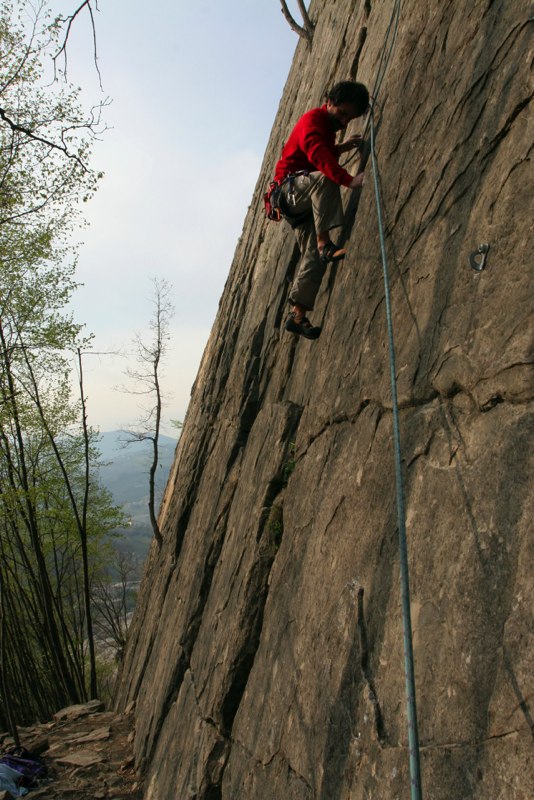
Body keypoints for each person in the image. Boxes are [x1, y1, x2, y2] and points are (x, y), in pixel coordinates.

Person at [272, 80, 370, 339]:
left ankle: (297, 315)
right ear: (329, 103)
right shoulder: (313, 121)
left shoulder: (326, 127)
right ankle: (324, 242)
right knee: (326, 177)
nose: (344, 122)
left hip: (300, 202)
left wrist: (341, 147)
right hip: (289, 192)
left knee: (314, 256)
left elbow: (319, 152)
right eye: (342, 113)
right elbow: (317, 155)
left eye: (350, 118)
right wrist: (349, 180)